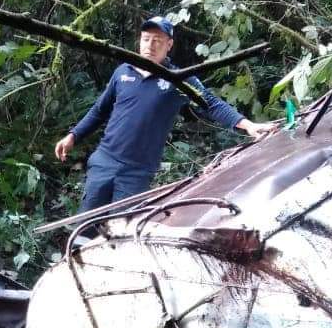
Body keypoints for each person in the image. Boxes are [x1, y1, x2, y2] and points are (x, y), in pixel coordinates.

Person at [55, 16, 276, 211]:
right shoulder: (123, 71)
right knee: (85, 227)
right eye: (146, 39)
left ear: (169, 45)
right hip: (104, 161)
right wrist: (73, 135)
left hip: (137, 172)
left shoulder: (178, 79)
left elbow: (211, 104)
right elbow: (99, 110)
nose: (150, 45)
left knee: (119, 230)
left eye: (157, 41)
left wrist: (248, 125)